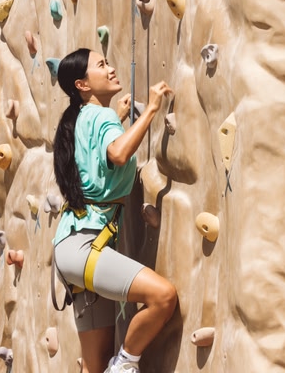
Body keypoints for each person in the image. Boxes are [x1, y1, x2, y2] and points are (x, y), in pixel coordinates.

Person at [51, 48, 178, 373]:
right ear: (82, 84)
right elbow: (119, 154)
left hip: (71, 247)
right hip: (86, 247)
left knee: (92, 368)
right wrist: (151, 109)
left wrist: (118, 119)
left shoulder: (80, 119)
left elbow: (96, 158)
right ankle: (125, 363)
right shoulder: (101, 117)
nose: (110, 69)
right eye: (101, 65)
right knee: (163, 296)